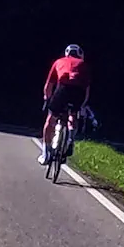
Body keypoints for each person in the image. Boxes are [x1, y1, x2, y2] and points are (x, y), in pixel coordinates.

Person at [38, 43, 89, 173]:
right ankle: (70, 138)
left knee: (51, 119)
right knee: (73, 115)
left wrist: (47, 100)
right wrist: (82, 105)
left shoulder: (59, 61)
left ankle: (45, 154)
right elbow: (87, 89)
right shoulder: (84, 65)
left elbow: (48, 86)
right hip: (79, 92)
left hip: (63, 88)